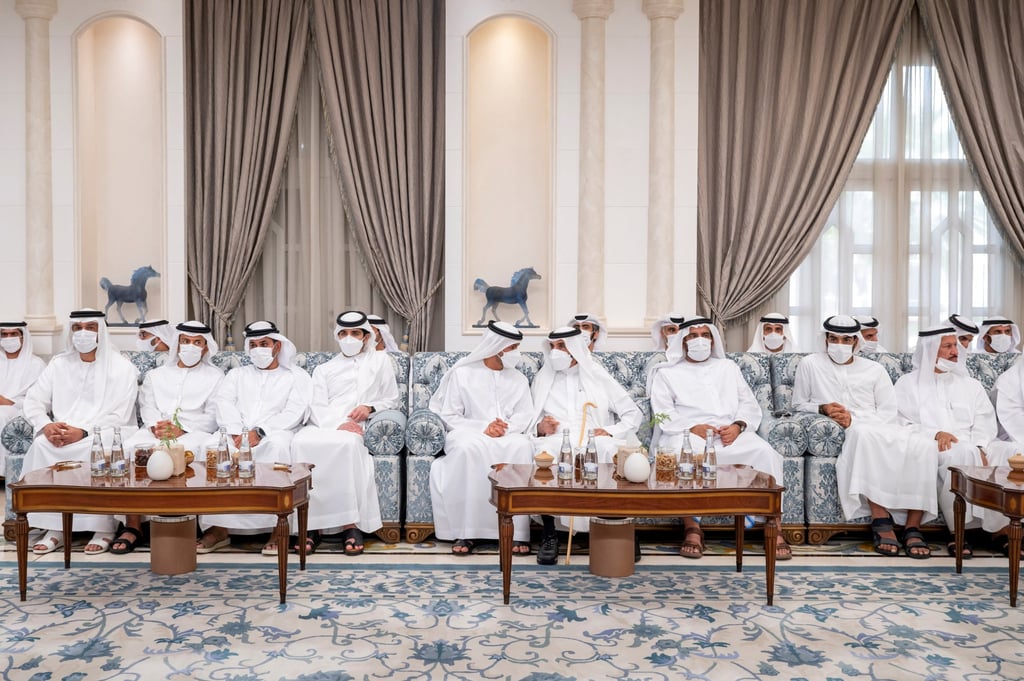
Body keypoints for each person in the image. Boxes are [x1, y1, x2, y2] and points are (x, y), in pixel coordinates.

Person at [793, 315, 934, 559]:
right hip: (855, 430)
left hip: (880, 424)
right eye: (834, 338)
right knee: (861, 435)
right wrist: (822, 408)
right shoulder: (810, 364)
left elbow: (890, 411)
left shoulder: (874, 369)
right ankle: (880, 518)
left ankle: (913, 525)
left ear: (856, 341)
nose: (839, 344)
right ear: (825, 339)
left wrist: (855, 418)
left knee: (923, 445)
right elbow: (798, 404)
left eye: (846, 339)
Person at [649, 316, 789, 560]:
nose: (700, 340)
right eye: (693, 336)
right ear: (683, 342)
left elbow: (749, 404)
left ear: (713, 340)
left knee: (764, 452)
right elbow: (662, 412)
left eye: (705, 335)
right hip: (688, 434)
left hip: (729, 434)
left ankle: (774, 526)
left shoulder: (728, 368)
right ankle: (692, 527)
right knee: (680, 455)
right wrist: (693, 427)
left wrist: (737, 426)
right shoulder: (667, 373)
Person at [21, 309, 139, 555]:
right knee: (42, 445)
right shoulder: (59, 363)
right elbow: (34, 400)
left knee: (99, 449)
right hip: (62, 432)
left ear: (101, 332)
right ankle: (56, 528)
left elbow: (119, 413)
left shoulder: (121, 366)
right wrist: (46, 425)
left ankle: (103, 527)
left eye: (90, 327)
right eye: (77, 328)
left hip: (108, 430)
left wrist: (83, 432)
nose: (83, 333)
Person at [196, 321, 312, 555]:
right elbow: (224, 402)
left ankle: (275, 529)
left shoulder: (296, 376)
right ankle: (219, 528)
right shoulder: (237, 374)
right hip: (235, 432)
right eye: (254, 344)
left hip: (275, 432)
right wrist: (236, 431)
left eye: (264, 344)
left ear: (277, 346)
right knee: (211, 449)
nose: (259, 349)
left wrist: (260, 431)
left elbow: (294, 412)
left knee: (276, 449)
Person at [290, 311, 400, 556]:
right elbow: (315, 406)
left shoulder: (380, 361)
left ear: (365, 336)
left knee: (347, 446)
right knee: (300, 443)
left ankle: (350, 524)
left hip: (357, 425)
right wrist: (336, 423)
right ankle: (310, 526)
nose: (349, 338)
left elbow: (391, 399)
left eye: (355, 333)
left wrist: (370, 407)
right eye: (344, 333)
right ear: (337, 336)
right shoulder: (324, 369)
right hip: (325, 424)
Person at [529, 326, 642, 564]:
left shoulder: (596, 374)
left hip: (593, 437)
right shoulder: (543, 377)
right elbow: (528, 420)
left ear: (574, 348)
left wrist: (610, 431)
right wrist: (541, 427)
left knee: (607, 451)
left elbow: (633, 414)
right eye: (552, 346)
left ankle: (619, 530)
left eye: (561, 346)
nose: (555, 351)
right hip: (557, 438)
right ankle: (550, 533)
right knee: (546, 453)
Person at [114, 321, 223, 555]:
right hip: (156, 431)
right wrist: (157, 428)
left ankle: (192, 522)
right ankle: (133, 525)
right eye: (185, 341)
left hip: (196, 433)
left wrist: (181, 429)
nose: (190, 346)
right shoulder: (156, 375)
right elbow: (147, 406)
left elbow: (213, 415)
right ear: (177, 343)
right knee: (130, 447)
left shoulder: (216, 377)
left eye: (197, 342)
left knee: (197, 450)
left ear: (205, 347)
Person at [429, 321, 534, 555]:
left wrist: (504, 428)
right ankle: (467, 531)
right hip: (468, 431)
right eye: (512, 348)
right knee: (469, 449)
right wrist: (483, 428)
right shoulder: (463, 373)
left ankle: (517, 533)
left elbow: (525, 414)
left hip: (508, 434)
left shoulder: (518, 379)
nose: (517, 354)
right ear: (497, 347)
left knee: (521, 448)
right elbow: (449, 414)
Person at [894, 325, 995, 559]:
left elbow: (985, 420)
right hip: (928, 445)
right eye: (948, 346)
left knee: (999, 455)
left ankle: (1002, 533)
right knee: (956, 456)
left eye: (956, 346)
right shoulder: (907, 384)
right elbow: (899, 422)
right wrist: (935, 433)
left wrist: (980, 445)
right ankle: (957, 532)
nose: (955, 351)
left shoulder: (970, 385)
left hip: (972, 445)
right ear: (930, 350)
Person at [0, 321, 46, 474]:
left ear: (23, 337)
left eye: (13, 334)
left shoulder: (36, 364)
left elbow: (41, 399)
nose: (8, 338)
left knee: (1, 414)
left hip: (20, 410)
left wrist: (10, 402)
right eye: (4, 334)